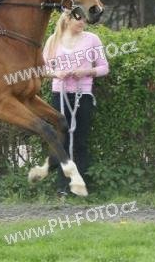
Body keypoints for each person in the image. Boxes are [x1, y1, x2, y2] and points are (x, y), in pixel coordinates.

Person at [43, 11, 109, 198]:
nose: (83, 23)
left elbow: (104, 67)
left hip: (83, 95)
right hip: (60, 94)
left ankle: (81, 186)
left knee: (80, 141)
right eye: (79, 19)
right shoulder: (53, 40)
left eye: (85, 20)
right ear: (68, 19)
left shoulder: (92, 39)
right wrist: (57, 74)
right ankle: (62, 188)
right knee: (61, 142)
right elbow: (43, 69)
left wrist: (87, 71)